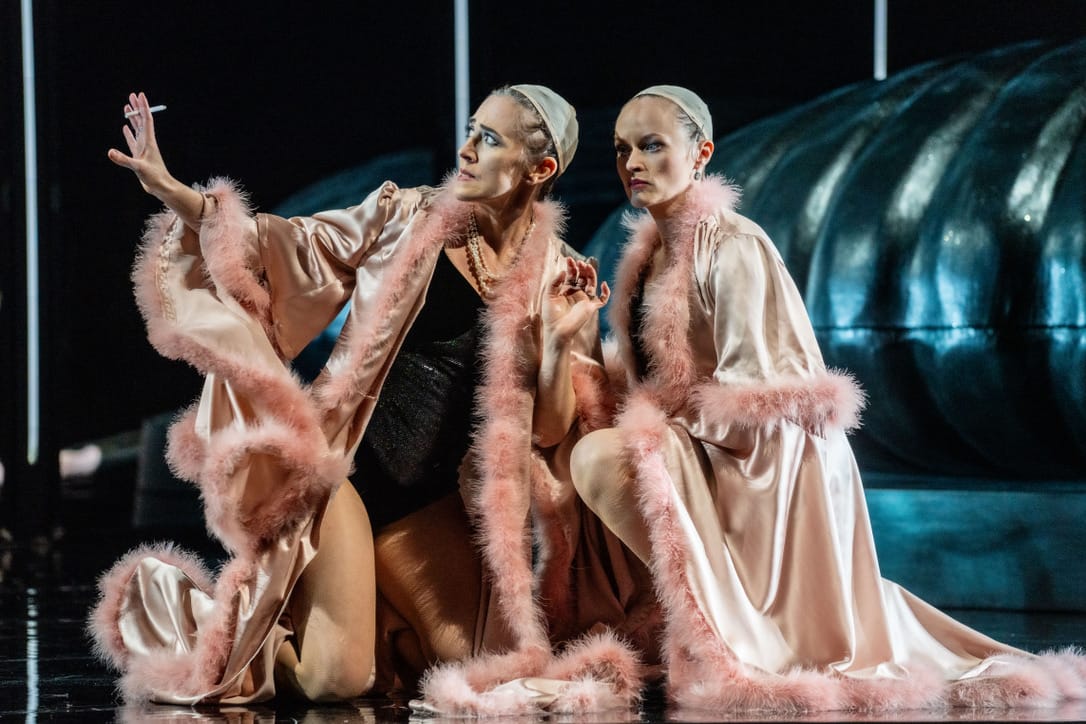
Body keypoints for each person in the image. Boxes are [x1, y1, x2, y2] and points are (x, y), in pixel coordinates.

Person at [89, 86, 650, 711]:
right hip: (348, 478)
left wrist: (562, 338)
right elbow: (285, 247)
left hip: (430, 507)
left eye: (489, 139)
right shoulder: (409, 217)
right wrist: (176, 192)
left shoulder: (558, 273)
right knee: (335, 682)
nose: (466, 149)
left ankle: (353, 615)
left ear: (538, 169)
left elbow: (548, 429)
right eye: (471, 130)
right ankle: (228, 640)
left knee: (476, 669)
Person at [568, 85, 1086, 713]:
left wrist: (661, 426)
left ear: (701, 153)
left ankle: (733, 638)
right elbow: (647, 386)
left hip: (762, 461)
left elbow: (753, 401)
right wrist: (577, 328)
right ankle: (685, 621)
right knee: (583, 443)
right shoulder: (648, 255)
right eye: (622, 149)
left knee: (602, 457)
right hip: (699, 443)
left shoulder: (733, 246)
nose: (632, 163)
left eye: (652, 145)